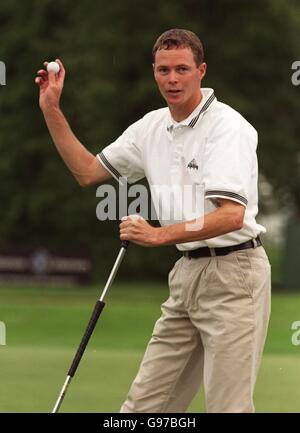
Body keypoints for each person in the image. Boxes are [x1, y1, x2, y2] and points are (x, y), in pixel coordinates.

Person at [35, 28, 271, 413]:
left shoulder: (229, 127)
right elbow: (87, 172)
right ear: (154, 72)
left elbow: (231, 216)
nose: (172, 79)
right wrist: (52, 110)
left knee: (228, 408)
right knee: (143, 409)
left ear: (201, 71)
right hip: (185, 276)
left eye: (182, 69)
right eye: (164, 70)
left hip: (236, 274)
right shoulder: (150, 127)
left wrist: (159, 235)